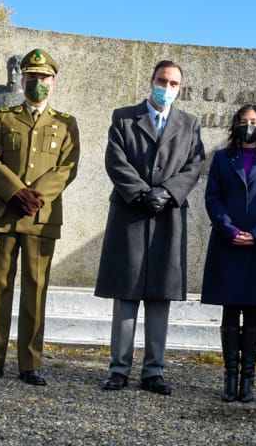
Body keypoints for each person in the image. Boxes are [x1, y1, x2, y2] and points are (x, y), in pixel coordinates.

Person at [0, 48, 81, 385]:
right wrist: (16, 192)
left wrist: (36, 196)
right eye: (32, 77)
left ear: (53, 82)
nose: (37, 82)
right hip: (5, 212)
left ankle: (30, 363)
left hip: (41, 217)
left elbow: (67, 167)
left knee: (36, 288)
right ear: (23, 78)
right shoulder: (4, 117)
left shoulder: (65, 122)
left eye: (43, 78)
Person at [95, 60, 206, 395]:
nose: (167, 88)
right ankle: (119, 368)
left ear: (180, 88)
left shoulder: (189, 123)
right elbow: (115, 160)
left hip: (167, 217)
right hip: (130, 214)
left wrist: (167, 192)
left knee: (160, 296)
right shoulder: (124, 117)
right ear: (152, 80)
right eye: (162, 81)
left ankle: (153, 370)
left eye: (174, 84)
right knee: (126, 295)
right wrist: (142, 193)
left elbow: (194, 163)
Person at [200, 103, 256, 402]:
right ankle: (230, 376)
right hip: (228, 243)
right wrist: (230, 230)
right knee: (230, 309)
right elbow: (213, 198)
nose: (248, 125)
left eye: (254, 121)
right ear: (235, 124)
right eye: (243, 120)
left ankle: (248, 379)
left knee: (252, 310)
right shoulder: (222, 159)